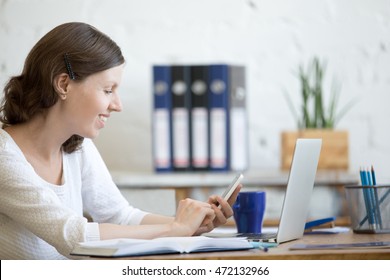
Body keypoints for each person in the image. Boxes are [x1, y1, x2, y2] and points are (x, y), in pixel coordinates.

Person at [0, 22, 241, 259]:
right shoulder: (5, 156)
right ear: (64, 84)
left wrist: (193, 224)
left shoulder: (77, 148)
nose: (118, 105)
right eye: (107, 90)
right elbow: (73, 236)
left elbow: (120, 217)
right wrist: (175, 230)